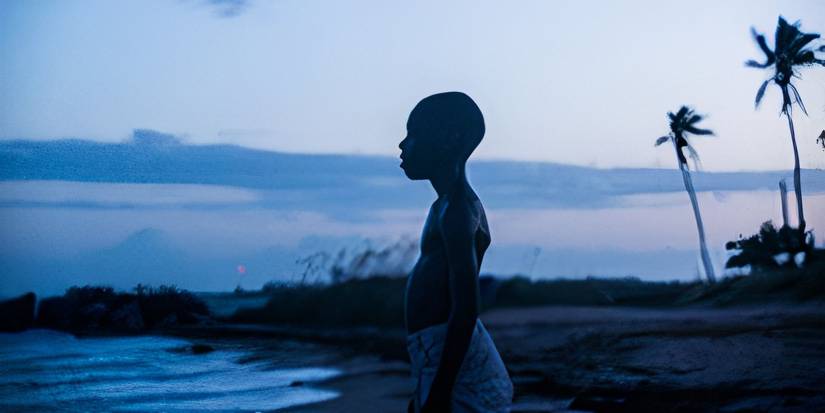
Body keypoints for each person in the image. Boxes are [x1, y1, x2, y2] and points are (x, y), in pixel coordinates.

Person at [398, 92, 513, 413]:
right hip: (438, 353)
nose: (402, 145)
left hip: (457, 362)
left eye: (413, 134)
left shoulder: (458, 210)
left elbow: (465, 308)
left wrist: (439, 391)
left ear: (448, 141)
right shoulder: (445, 207)